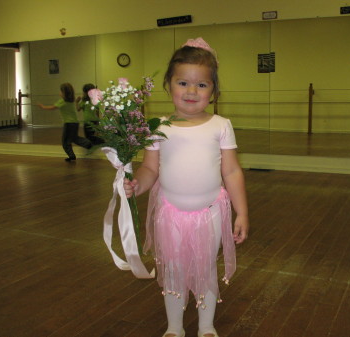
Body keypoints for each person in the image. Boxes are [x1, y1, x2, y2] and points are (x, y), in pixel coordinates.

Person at [123, 38, 249, 337]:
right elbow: (150, 168)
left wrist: (241, 212)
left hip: (211, 212)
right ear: (169, 85)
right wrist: (137, 184)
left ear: (213, 91)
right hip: (171, 213)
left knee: (205, 268)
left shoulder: (220, 124)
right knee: (174, 271)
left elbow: (231, 170)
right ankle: (174, 327)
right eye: (183, 83)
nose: (192, 91)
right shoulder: (158, 127)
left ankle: (206, 326)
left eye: (202, 85)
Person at [38, 83, 92, 161]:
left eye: (61, 91)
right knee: (74, 138)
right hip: (75, 123)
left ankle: (77, 151)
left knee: (66, 141)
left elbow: (52, 107)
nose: (59, 93)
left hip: (69, 123)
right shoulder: (71, 101)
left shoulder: (62, 101)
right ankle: (86, 145)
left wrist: (42, 107)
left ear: (64, 93)